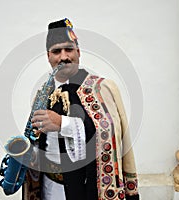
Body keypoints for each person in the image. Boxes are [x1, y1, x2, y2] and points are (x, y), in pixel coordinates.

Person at [23, 18, 140, 200]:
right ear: (48, 56)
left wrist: (63, 123)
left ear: (78, 52)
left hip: (86, 191)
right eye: (56, 51)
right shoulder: (43, 94)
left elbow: (108, 135)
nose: (64, 57)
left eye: (69, 49)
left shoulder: (101, 88)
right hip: (48, 188)